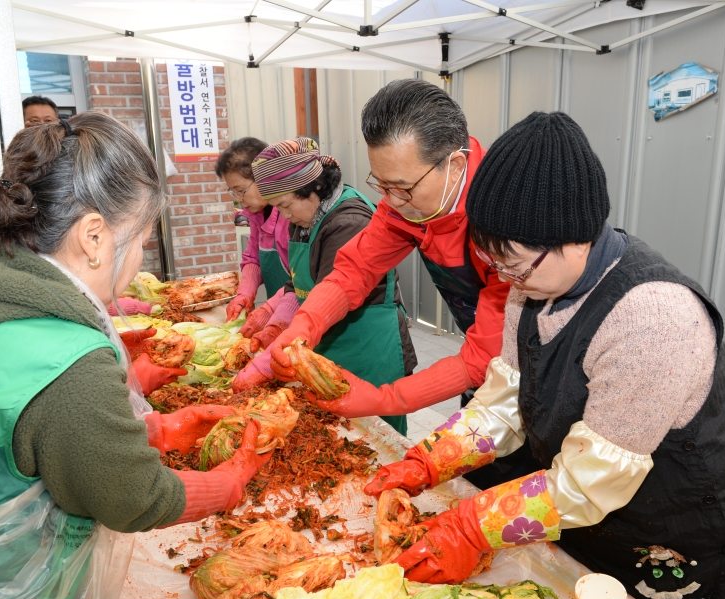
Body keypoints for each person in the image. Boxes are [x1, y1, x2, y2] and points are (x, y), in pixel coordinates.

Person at [365, 112, 725, 599]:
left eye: (514, 262)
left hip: (686, 549)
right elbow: (505, 400)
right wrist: (429, 459)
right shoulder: (529, 289)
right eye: (493, 260)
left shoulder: (652, 318)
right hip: (597, 527)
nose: (505, 278)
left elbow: (586, 482)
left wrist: (473, 524)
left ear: (573, 235)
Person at [0, 113, 271, 599]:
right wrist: (231, 481)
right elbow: (133, 498)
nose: (139, 262)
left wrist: (155, 432)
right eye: (142, 244)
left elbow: (6, 432)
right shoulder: (62, 355)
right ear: (94, 237)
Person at [268, 81, 512, 480]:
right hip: (486, 359)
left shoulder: (504, 223)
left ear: (454, 165)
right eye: (382, 185)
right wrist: (303, 325)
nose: (392, 201)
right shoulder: (407, 202)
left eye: (403, 187)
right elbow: (354, 269)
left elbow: (484, 355)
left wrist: (387, 398)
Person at [235, 138, 417, 434]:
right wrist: (275, 321)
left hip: (368, 349)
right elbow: (298, 283)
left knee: (378, 438)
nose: (284, 216)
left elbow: (331, 295)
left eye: (284, 205)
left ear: (311, 188)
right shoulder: (304, 218)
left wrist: (266, 363)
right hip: (327, 343)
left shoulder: (348, 222)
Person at [217, 137, 295, 352]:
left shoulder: (292, 215)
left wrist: (269, 310)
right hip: (282, 315)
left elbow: (305, 280)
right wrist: (244, 295)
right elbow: (253, 259)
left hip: (300, 312)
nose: (239, 199)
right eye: (233, 192)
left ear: (264, 178)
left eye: (241, 190)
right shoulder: (257, 214)